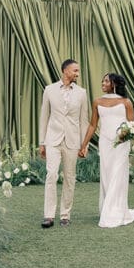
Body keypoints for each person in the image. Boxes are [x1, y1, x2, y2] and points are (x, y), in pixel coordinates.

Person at [80, 72, 134, 228]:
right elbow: (93, 125)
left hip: (121, 144)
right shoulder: (97, 101)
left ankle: (115, 212)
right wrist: (84, 144)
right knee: (107, 174)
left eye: (106, 81)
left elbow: (132, 125)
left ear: (114, 83)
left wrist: (126, 136)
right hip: (105, 143)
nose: (102, 83)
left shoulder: (126, 102)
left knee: (118, 175)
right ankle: (108, 208)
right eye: (102, 81)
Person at [38, 59, 89, 228]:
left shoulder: (82, 93)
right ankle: (48, 215)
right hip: (53, 139)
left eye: (78, 71)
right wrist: (42, 142)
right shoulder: (49, 90)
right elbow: (44, 117)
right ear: (65, 71)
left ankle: (65, 215)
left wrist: (84, 144)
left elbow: (83, 121)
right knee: (51, 174)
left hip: (73, 141)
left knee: (69, 178)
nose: (77, 73)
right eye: (75, 70)